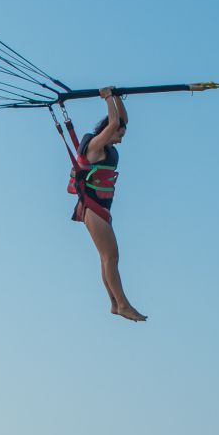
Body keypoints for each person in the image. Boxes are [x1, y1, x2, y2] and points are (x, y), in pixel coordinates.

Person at [72, 88, 146, 322]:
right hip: (91, 208)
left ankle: (115, 304)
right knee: (110, 256)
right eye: (118, 135)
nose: (120, 139)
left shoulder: (108, 147)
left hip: (101, 209)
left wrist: (116, 96)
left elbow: (120, 120)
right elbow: (114, 123)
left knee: (108, 257)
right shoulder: (95, 146)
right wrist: (106, 98)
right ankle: (121, 303)